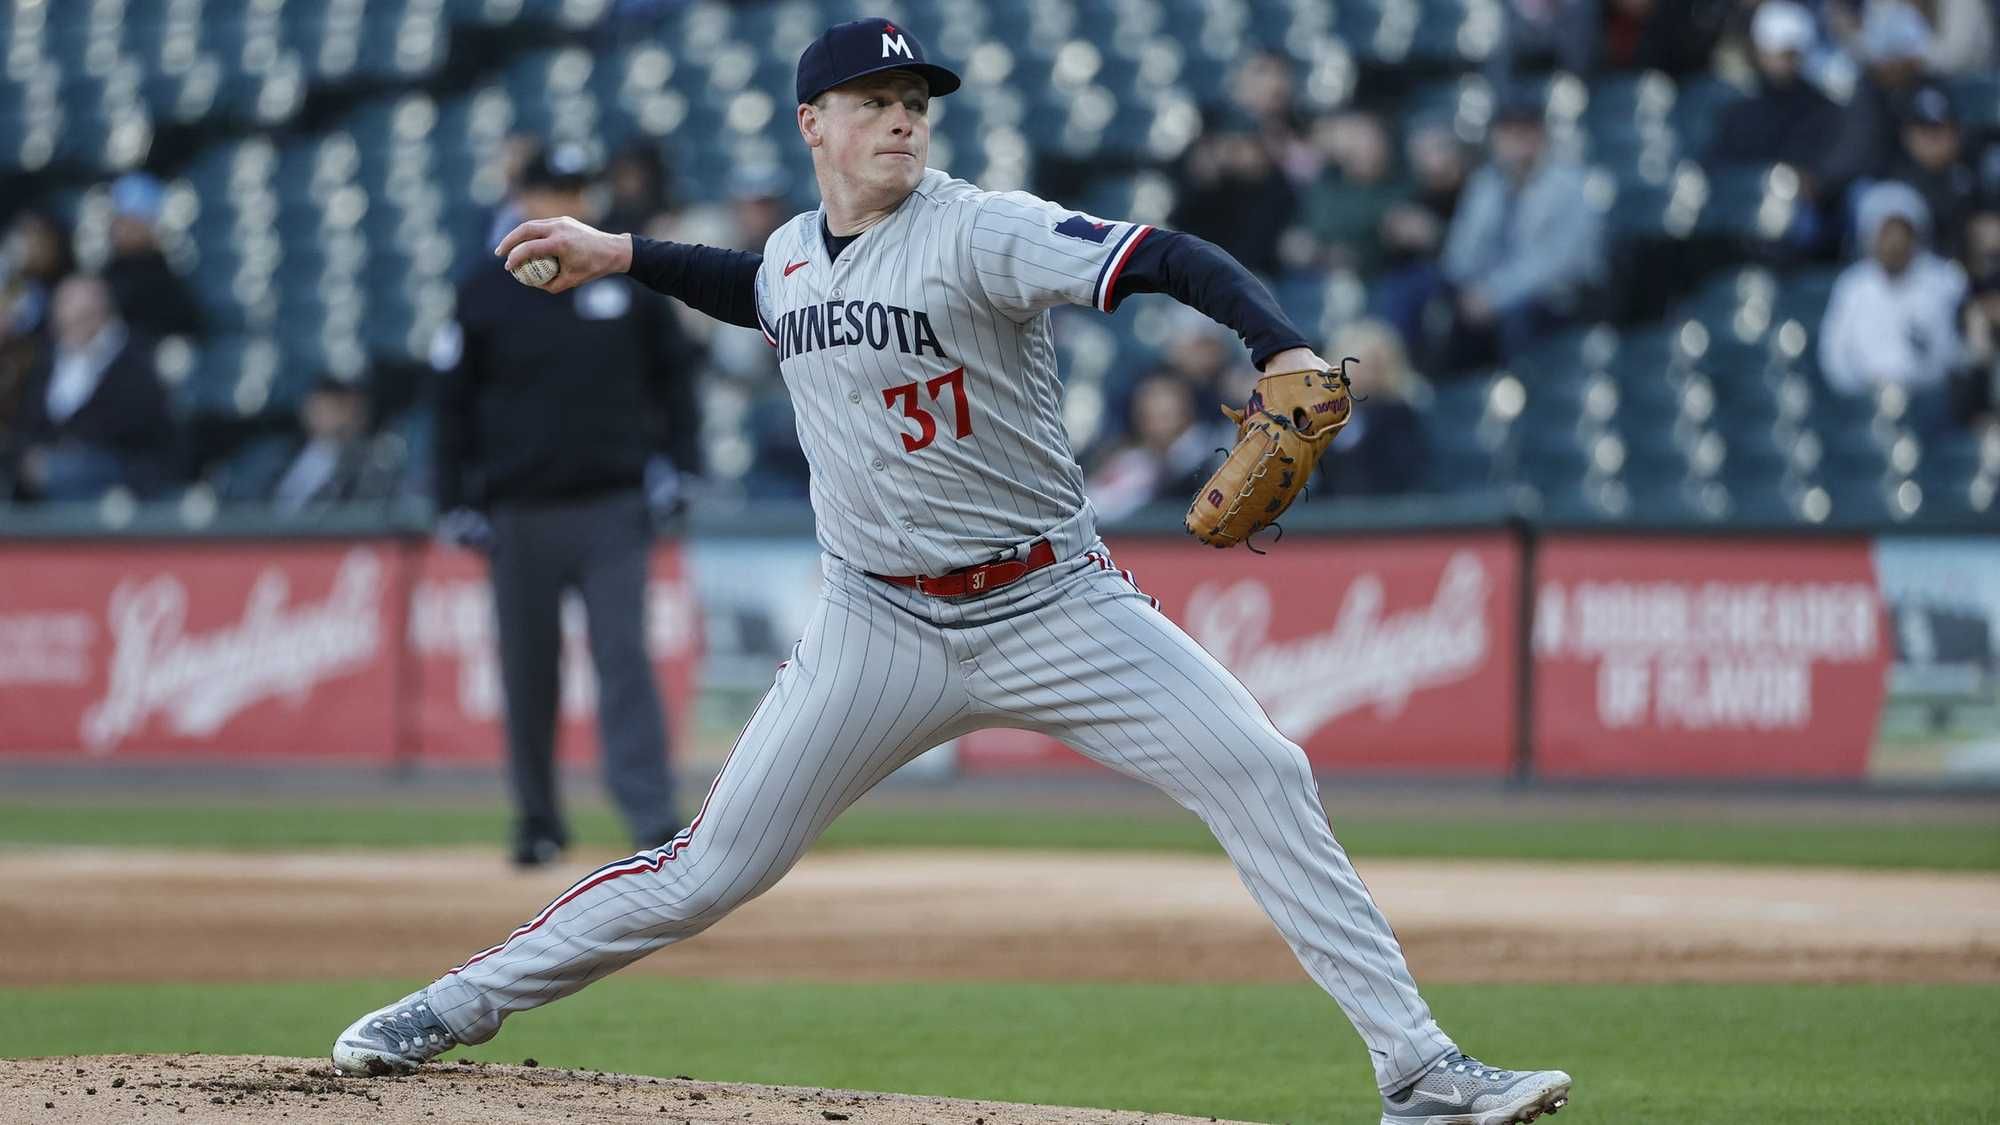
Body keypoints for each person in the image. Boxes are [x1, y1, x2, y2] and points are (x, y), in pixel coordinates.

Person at [333, 19, 1574, 1125]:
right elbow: (752, 289)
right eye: (874, 102)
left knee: (1262, 770)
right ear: (813, 124)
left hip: (1053, 601)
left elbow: (1163, 255)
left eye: (914, 101)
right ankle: (449, 1005)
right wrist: (621, 252)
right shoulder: (788, 254)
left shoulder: (980, 228)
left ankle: (1417, 1072)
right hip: (873, 623)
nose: (902, 118)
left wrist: (1278, 344)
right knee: (706, 869)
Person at [431, 142, 698, 868]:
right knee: (527, 669)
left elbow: (675, 380)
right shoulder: (484, 288)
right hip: (519, 509)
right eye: (552, 188)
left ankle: (650, 816)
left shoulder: (626, 280)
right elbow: (451, 404)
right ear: (522, 197)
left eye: (576, 189)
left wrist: (681, 467)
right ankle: (537, 819)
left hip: (613, 506)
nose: (566, 202)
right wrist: (454, 498)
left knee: (624, 661)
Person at [1437, 91, 1605, 367]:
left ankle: (1525, 389)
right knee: (1430, 298)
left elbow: (1555, 264)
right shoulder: (1486, 184)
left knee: (1518, 318)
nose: (1517, 143)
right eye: (1508, 133)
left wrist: (1493, 295)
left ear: (1541, 136)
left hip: (1556, 298)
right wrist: (1466, 289)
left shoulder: (1571, 186)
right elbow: (1459, 252)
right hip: (1484, 293)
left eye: (1526, 132)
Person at [7, 274, 177, 501]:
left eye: (80, 318)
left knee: (60, 472)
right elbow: (30, 418)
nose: (70, 328)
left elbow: (138, 422)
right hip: (47, 461)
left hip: (117, 464)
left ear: (100, 314)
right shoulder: (48, 359)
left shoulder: (134, 357)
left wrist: (71, 447)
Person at [1819, 181, 1968, 395]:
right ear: (1871, 238)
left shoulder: (1942, 282)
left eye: (1901, 235)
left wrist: (1915, 385)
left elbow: (1953, 353)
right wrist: (1863, 391)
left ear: (1915, 237)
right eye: (1886, 235)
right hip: (1864, 400)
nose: (1894, 244)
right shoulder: (1853, 285)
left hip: (1925, 398)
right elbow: (1834, 354)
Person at [1315, 318, 1430, 498]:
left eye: (1373, 366)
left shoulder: (1402, 417)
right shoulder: (1321, 418)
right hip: (1328, 511)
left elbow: (1409, 473)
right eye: (1356, 365)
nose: (1365, 374)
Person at [267, 371, 401, 515]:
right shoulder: (279, 453)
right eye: (321, 397)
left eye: (339, 403)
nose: (323, 408)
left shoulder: (371, 464)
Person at [101, 173, 203, 342]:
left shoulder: (168, 283)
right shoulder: (103, 277)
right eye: (121, 219)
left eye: (134, 220)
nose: (124, 228)